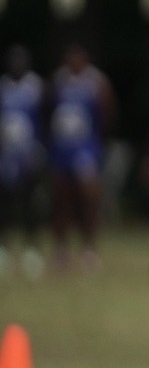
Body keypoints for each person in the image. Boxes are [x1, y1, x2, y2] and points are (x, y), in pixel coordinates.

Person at [46, 42, 116, 273]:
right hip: (62, 148)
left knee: (89, 196)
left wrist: (97, 145)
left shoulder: (97, 83)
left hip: (85, 148)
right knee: (61, 198)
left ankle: (89, 249)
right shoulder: (58, 81)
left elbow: (107, 115)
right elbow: (48, 111)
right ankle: (61, 250)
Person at [0, 45, 46, 279]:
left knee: (31, 202)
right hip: (6, 155)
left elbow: (45, 118)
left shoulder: (35, 87)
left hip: (29, 154)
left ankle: (32, 249)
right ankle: (4, 249)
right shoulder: (3, 88)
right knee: (5, 203)